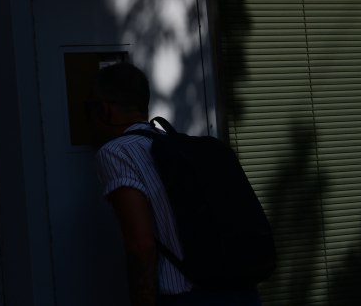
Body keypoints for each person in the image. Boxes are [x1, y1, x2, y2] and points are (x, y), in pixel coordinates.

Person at [89, 61, 262, 306]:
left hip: (190, 298)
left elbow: (141, 246)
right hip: (242, 291)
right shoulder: (177, 147)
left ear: (105, 110)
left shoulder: (115, 153)